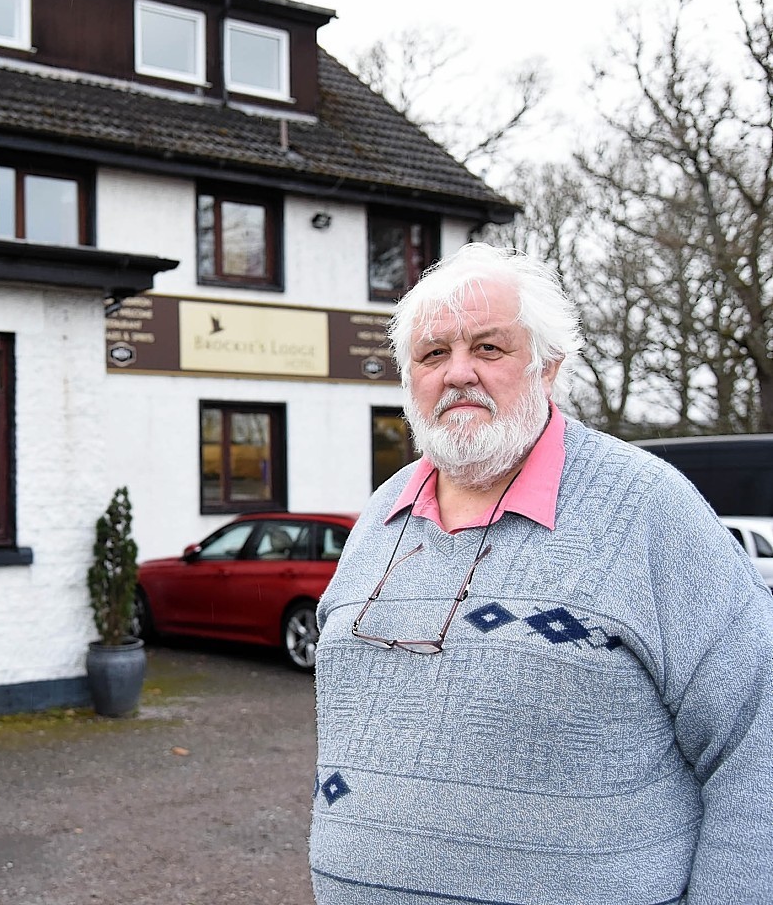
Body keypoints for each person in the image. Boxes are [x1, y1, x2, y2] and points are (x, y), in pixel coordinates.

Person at [309, 242, 773, 905]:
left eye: (489, 349)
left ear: (547, 367)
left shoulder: (645, 508)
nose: (459, 373)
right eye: (434, 354)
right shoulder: (382, 514)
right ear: (408, 378)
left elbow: (758, 742)